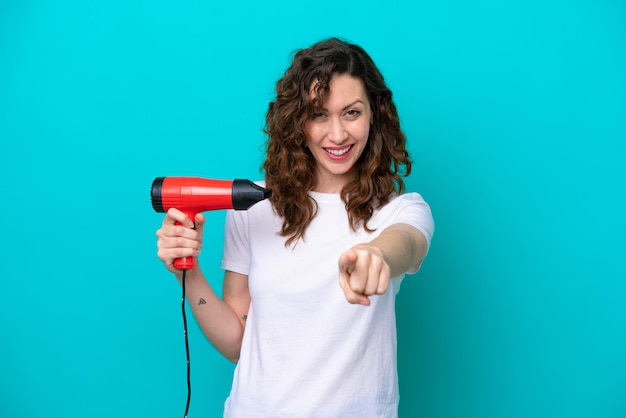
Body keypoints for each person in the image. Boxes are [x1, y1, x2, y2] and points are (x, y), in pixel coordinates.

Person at [156, 37, 434, 418]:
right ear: (297, 121)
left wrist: (377, 253)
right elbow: (239, 343)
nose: (337, 135)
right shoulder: (252, 207)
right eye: (319, 115)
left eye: (351, 113)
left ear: (375, 115)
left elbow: (407, 244)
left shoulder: (400, 211)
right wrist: (186, 274)